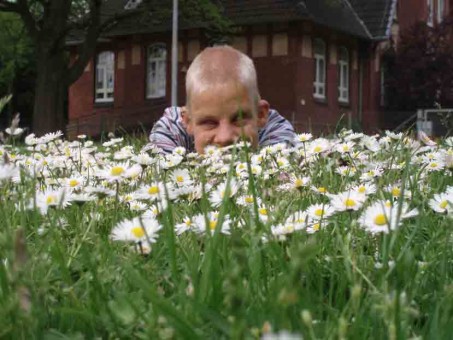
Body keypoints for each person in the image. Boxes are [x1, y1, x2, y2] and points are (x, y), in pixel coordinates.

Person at [149, 45, 295, 154]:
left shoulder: (276, 129)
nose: (225, 137)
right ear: (187, 121)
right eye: (209, 122)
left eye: (238, 118)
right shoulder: (170, 128)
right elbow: (162, 175)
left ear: (261, 114)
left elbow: (276, 176)